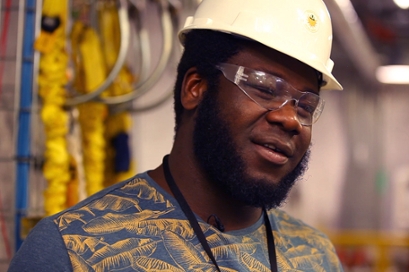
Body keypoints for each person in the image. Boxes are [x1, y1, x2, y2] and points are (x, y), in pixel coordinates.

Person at [8, 0, 345, 271]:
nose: (290, 119)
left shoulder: (315, 256)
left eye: (305, 105)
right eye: (263, 87)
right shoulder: (73, 250)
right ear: (195, 88)